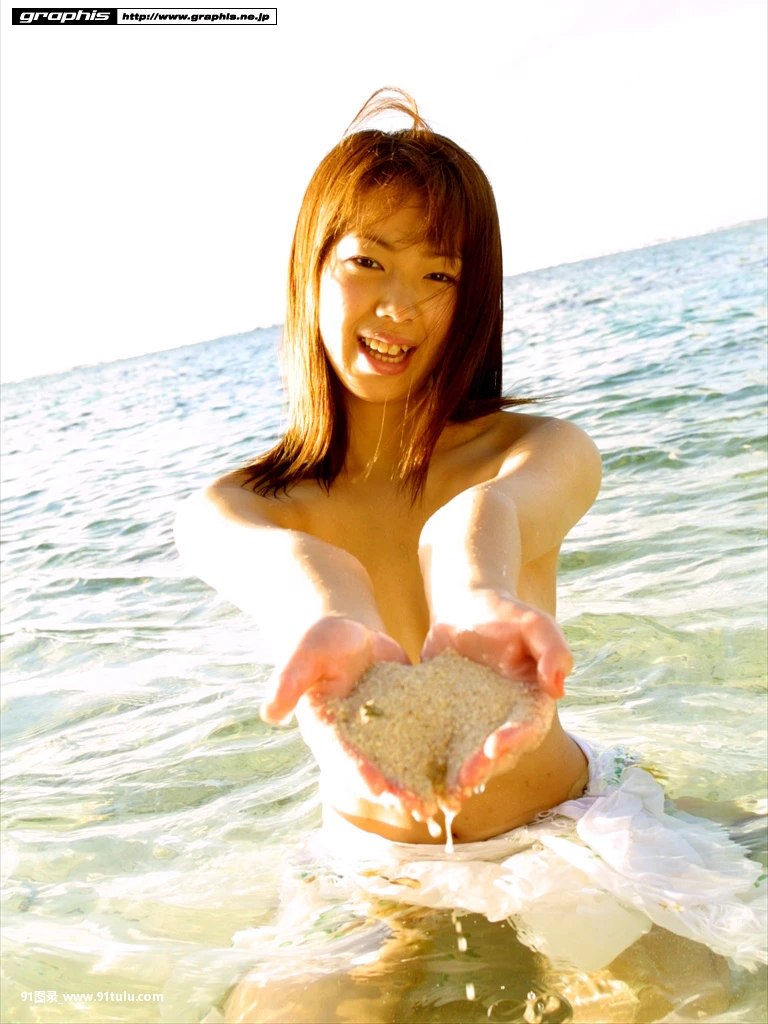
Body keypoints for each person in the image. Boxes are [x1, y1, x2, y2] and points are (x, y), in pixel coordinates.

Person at [175, 91, 764, 1023]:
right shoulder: (233, 508)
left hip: (564, 826)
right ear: (311, 270)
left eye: (439, 273)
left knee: (680, 1000)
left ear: (473, 293)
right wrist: (336, 619)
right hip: (376, 862)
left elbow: (477, 519)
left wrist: (479, 596)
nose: (399, 305)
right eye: (368, 261)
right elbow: (303, 570)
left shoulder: (539, 451)